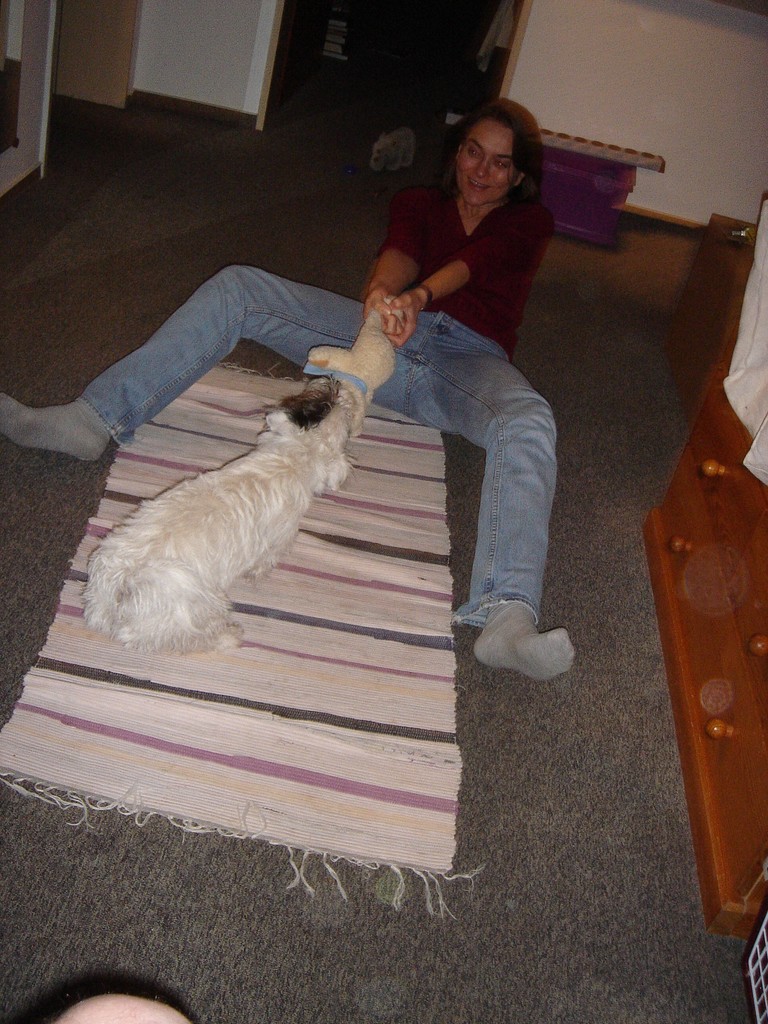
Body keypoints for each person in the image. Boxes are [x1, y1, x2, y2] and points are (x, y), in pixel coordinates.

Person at [0, 99, 574, 680]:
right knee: (240, 288)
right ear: (457, 153)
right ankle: (93, 418)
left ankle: (505, 615)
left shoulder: (530, 222)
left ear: (517, 176)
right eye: (474, 152)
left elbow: (477, 261)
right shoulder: (419, 202)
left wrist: (419, 298)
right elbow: (398, 253)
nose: (482, 170)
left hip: (467, 363)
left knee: (527, 419)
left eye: (501, 163)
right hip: (378, 343)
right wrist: (381, 296)